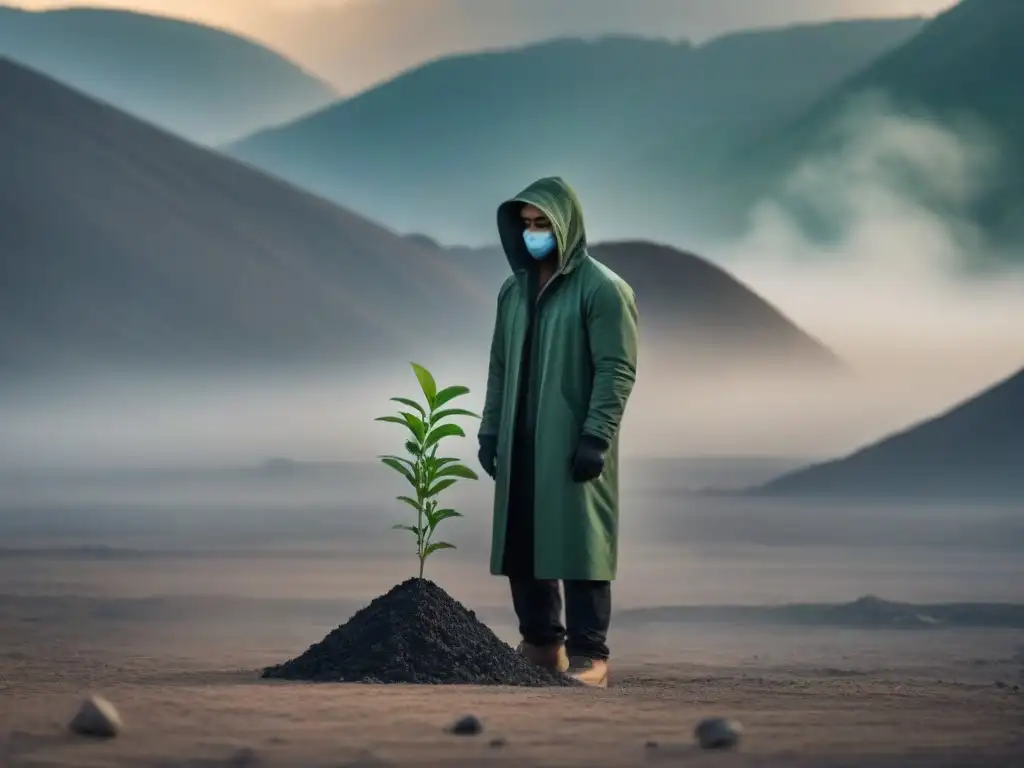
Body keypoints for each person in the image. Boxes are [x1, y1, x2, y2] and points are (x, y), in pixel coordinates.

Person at [476, 176, 639, 689]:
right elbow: (499, 365)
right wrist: (489, 430)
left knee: (580, 545)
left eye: (542, 224)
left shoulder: (603, 289)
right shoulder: (513, 291)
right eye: (525, 225)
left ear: (566, 226)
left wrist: (597, 435)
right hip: (519, 440)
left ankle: (590, 656)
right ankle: (541, 645)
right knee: (523, 542)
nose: (532, 234)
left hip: (572, 441)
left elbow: (616, 368)